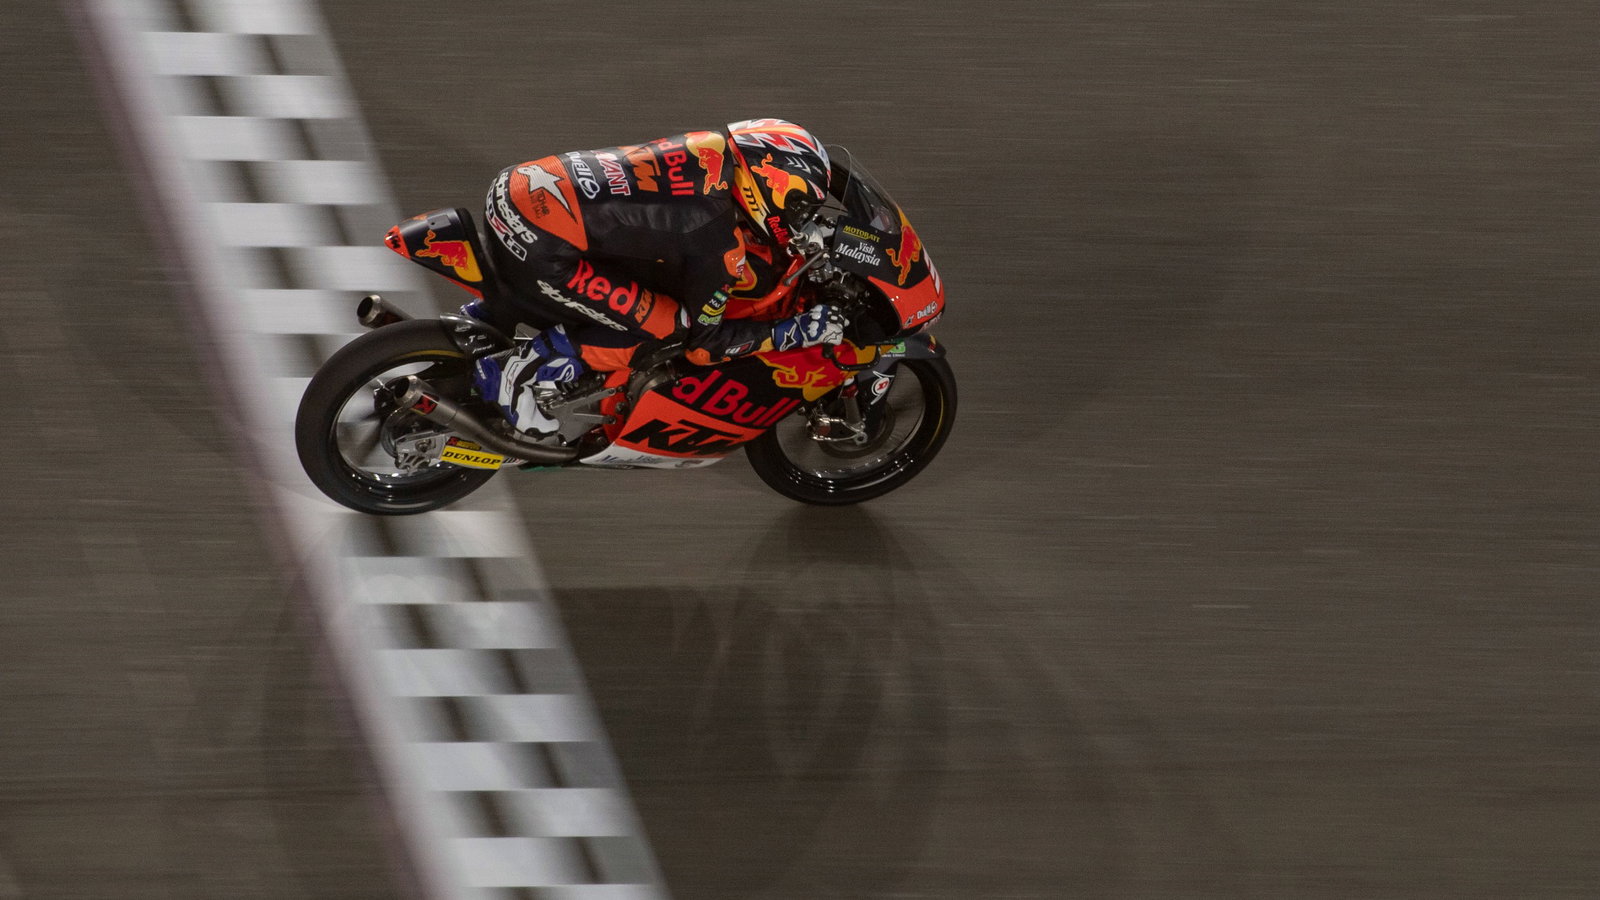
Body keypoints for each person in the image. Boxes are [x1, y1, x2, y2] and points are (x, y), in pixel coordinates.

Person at [470, 118, 848, 434]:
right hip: (540, 244)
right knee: (672, 329)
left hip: (520, 184)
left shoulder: (707, 146)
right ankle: (517, 371)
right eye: (800, 206)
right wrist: (790, 333)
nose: (802, 218)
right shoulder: (719, 241)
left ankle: (486, 321)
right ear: (769, 186)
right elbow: (705, 347)